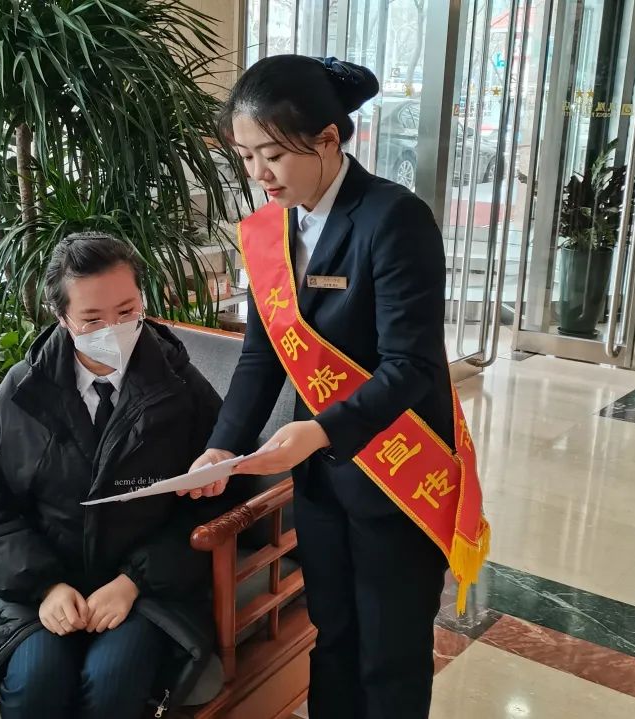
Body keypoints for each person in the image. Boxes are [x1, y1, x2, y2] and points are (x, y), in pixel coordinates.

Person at [184, 55, 489, 719]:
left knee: (389, 653)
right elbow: (262, 355)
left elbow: (411, 365)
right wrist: (223, 446)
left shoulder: (394, 219)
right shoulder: (271, 230)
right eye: (246, 156)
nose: (258, 174)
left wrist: (321, 430)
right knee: (334, 635)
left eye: (272, 155)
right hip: (322, 481)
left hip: (397, 473)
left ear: (327, 139)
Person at [0, 232, 226, 719]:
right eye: (92, 320)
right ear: (61, 317)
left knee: (111, 685)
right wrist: (44, 586)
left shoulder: (180, 386)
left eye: (127, 311)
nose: (114, 329)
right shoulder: (25, 389)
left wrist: (134, 580)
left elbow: (215, 497)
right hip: (39, 581)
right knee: (36, 683)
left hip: (143, 588)